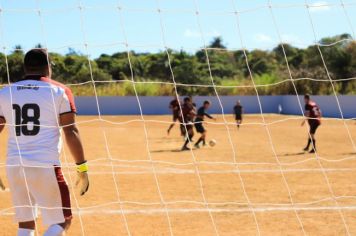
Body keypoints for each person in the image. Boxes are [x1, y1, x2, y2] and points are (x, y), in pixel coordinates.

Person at [0, 49, 89, 236]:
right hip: (45, 166)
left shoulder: (5, 92)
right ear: (49, 67)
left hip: (15, 166)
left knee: (25, 225)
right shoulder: (59, 90)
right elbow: (70, 131)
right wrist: (82, 168)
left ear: (25, 68)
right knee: (63, 221)